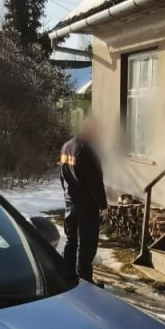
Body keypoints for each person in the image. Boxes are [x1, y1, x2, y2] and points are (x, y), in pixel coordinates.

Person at [59, 117, 107, 285]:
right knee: (86, 244)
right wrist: (102, 205)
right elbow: (95, 182)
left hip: (70, 201)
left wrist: (67, 195)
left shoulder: (67, 146)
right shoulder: (88, 151)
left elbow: (62, 176)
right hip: (86, 205)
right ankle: (84, 281)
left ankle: (67, 276)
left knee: (72, 240)